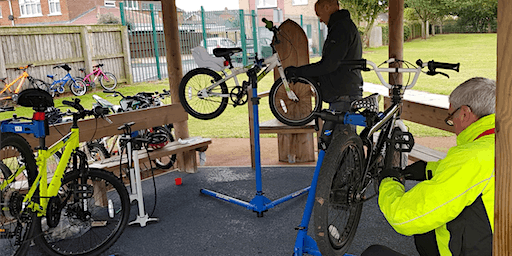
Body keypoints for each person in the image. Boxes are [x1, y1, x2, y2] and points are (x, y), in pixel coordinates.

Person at [363, 77, 496, 256]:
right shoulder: (496, 143)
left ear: (464, 113)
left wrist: (389, 181)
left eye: (451, 118)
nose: (453, 124)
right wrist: (427, 169)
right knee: (426, 233)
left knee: (373, 253)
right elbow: (472, 178)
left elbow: (403, 216)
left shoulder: (473, 157)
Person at [284, 0, 363, 112]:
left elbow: (328, 65)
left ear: (327, 7)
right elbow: (332, 67)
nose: (320, 20)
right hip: (342, 93)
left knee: (339, 130)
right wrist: (302, 77)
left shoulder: (341, 28)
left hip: (343, 96)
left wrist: (298, 72)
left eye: (319, 14)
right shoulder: (341, 26)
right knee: (332, 129)